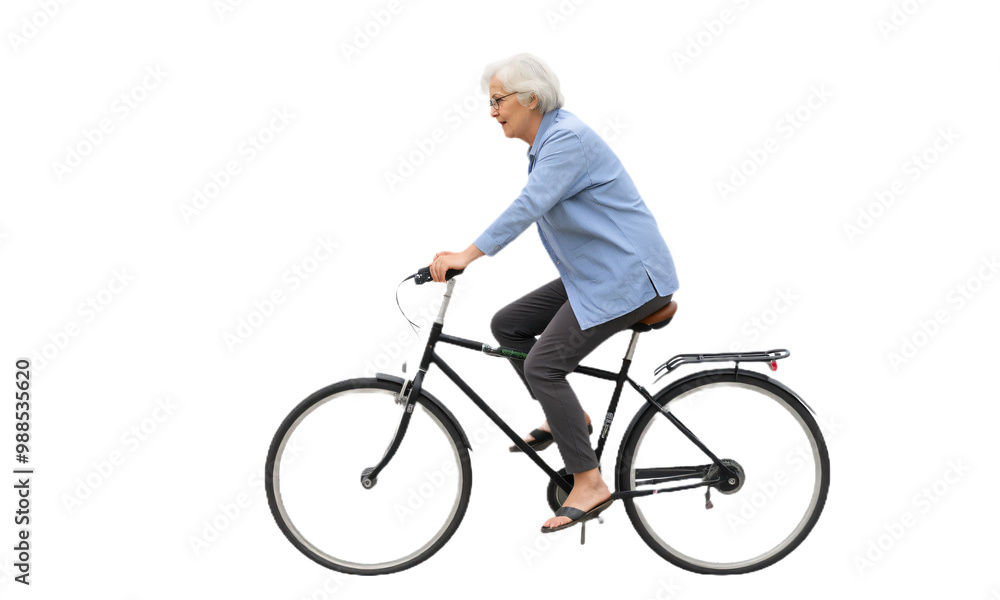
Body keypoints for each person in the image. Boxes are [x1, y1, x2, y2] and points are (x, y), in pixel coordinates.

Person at [428, 53, 679, 533]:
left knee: (543, 365)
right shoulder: (550, 141)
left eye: (498, 100)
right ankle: (571, 418)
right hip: (600, 273)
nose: (492, 111)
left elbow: (529, 205)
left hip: (628, 277)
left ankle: (588, 483)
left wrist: (467, 254)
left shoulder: (566, 141)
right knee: (510, 326)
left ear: (531, 99)